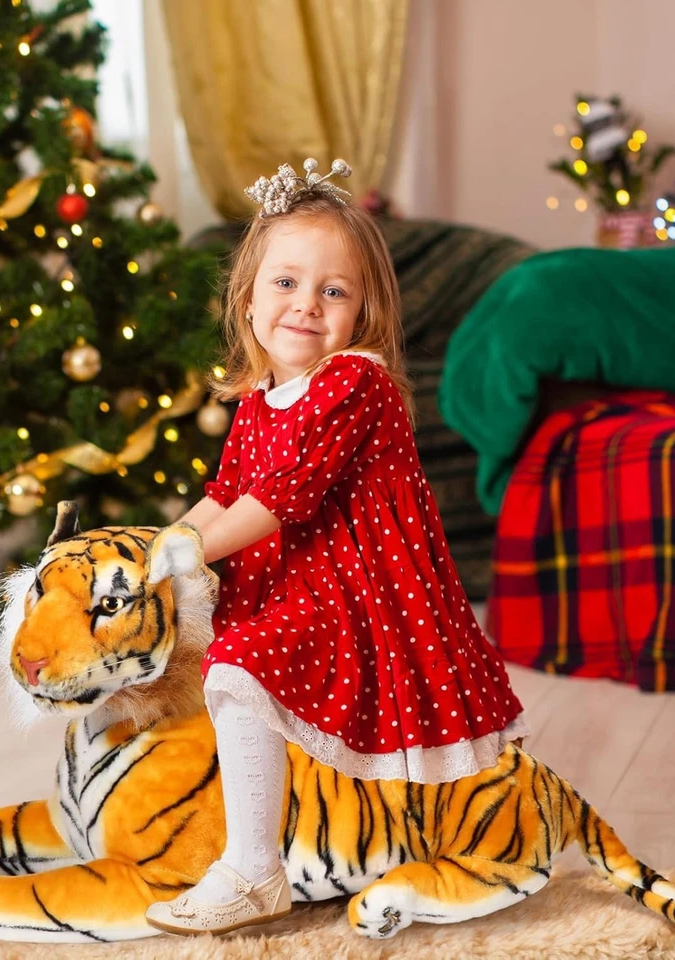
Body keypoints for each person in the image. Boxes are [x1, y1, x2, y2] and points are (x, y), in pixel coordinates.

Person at [145, 159, 529, 936]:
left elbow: (276, 500)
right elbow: (223, 493)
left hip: (360, 590)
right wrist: (162, 542)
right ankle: (271, 842)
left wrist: (192, 549)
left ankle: (256, 872)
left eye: (334, 290)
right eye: (285, 283)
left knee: (240, 665)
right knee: (225, 671)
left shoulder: (354, 383)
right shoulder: (256, 402)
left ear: (364, 311)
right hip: (298, 584)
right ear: (247, 297)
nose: (306, 306)